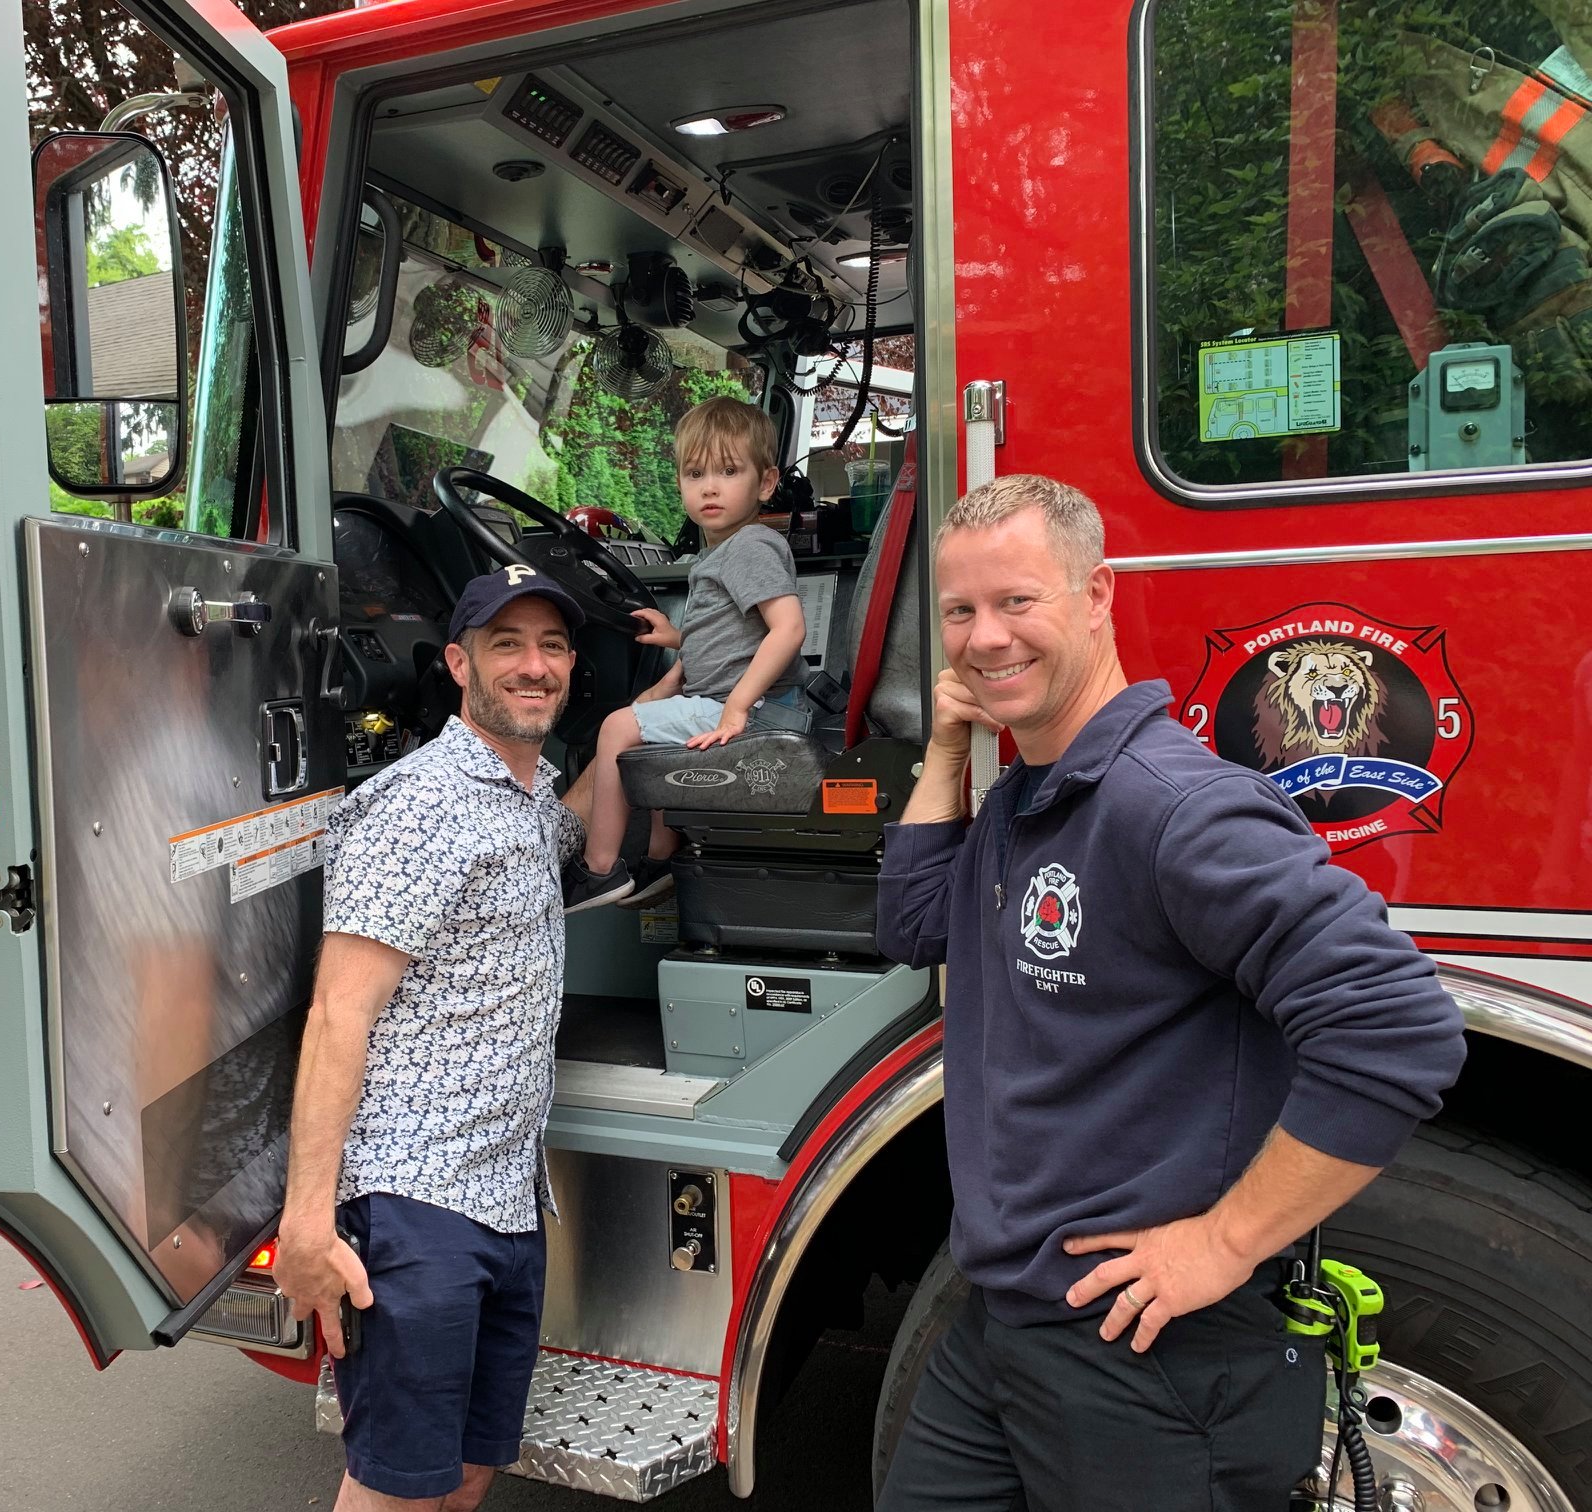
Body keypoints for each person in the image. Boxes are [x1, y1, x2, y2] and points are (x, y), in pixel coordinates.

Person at [873, 474, 1468, 1511]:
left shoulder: (1173, 808)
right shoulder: (1027, 795)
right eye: (960, 611)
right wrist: (947, 749)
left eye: (1017, 601)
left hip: (1149, 1359)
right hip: (1002, 1326)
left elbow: (1397, 1028)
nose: (984, 637)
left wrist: (1224, 1243)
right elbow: (915, 925)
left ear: (1097, 596)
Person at [273, 565, 589, 1512]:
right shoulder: (418, 805)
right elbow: (339, 1014)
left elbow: (575, 838)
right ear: (458, 664)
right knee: (397, 1490)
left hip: (506, 1196)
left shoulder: (531, 798)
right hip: (418, 1200)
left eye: (553, 646)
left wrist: (639, 726)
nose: (534, 666)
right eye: (507, 645)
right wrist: (307, 1222)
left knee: (469, 1473)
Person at [565, 395, 809, 911]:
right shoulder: (718, 553)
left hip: (756, 710)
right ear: (679, 483)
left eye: (728, 471)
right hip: (743, 702)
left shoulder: (749, 547)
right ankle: (661, 860)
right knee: (660, 733)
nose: (710, 487)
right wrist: (678, 637)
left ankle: (599, 869)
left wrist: (736, 708)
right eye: (695, 474)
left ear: (766, 483)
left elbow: (788, 629)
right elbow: (734, 634)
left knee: (617, 727)